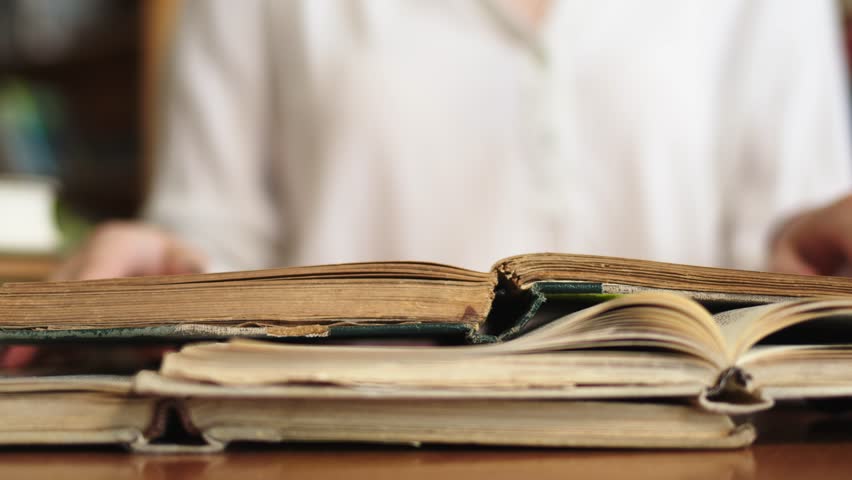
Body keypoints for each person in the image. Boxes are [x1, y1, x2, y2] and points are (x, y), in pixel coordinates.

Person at [44, 0, 852, 279]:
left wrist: (803, 253)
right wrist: (166, 267)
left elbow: (780, 239)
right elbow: (216, 234)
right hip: (334, 453)